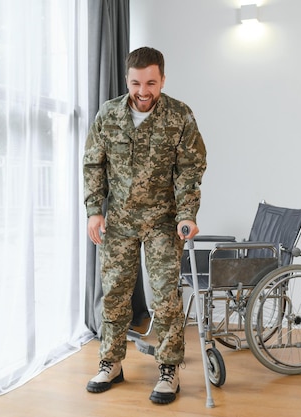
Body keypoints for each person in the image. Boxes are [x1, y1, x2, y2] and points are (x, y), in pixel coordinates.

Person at [83, 46, 207, 405]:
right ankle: (111, 362)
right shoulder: (108, 115)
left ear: (162, 80)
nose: (143, 91)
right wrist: (94, 209)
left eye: (151, 82)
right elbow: (94, 164)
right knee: (116, 293)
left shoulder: (180, 116)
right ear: (127, 80)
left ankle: (168, 369)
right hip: (119, 218)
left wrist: (187, 213)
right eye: (136, 83)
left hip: (163, 220)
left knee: (166, 295)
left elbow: (190, 168)